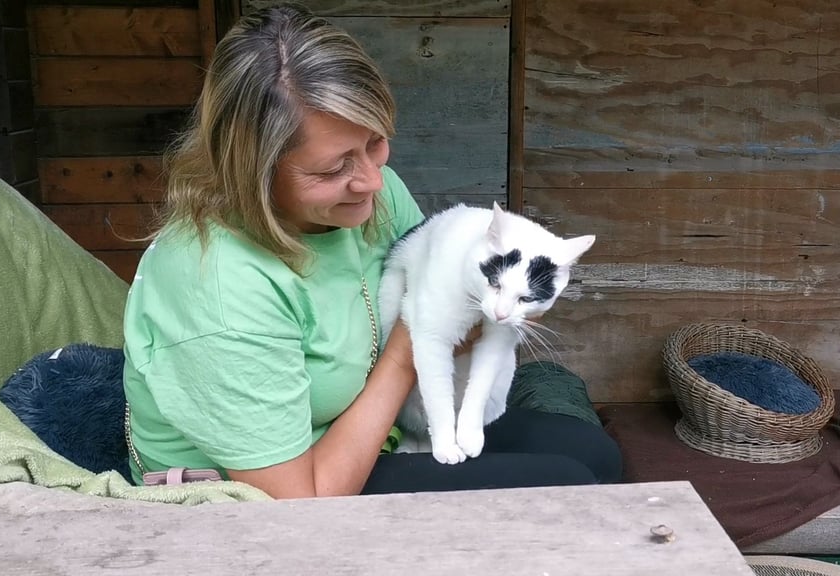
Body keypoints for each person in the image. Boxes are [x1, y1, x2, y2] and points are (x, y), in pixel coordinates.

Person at [122, 2, 622, 499]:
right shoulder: (218, 285)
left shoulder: (367, 199)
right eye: (333, 168)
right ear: (251, 171)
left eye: (376, 142)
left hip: (384, 428)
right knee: (568, 487)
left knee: (596, 456)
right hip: (281, 492)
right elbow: (295, 508)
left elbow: (458, 311)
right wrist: (413, 345)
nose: (372, 181)